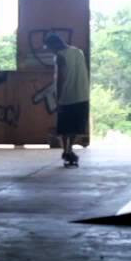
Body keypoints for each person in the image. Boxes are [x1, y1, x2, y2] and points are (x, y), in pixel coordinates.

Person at [46, 34, 89, 166]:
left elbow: (61, 78)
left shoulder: (60, 56)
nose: (50, 51)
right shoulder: (78, 52)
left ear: (54, 45)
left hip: (67, 97)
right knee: (76, 126)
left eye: (49, 48)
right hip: (82, 95)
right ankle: (69, 150)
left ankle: (67, 150)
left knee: (64, 128)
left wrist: (58, 98)